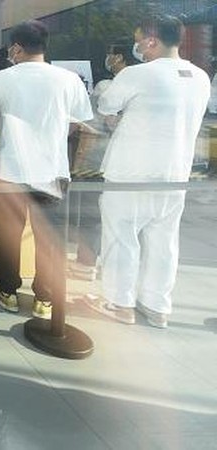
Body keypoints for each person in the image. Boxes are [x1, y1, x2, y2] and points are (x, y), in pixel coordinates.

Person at [86, 15, 211, 328]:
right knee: (164, 241)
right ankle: (156, 306)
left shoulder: (137, 74)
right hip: (175, 174)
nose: (136, 46)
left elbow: (106, 106)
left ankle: (119, 302)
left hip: (131, 172)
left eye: (139, 39)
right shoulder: (200, 76)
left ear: (152, 41)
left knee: (121, 237)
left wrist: (118, 116)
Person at [0, 20, 92, 319]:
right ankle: (45, 298)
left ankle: (7, 292)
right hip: (52, 170)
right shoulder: (68, 80)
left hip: (10, 170)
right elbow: (75, 125)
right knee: (49, 238)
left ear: (16, 47)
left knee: (8, 235)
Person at [68, 42, 138, 281]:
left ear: (118, 57)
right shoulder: (143, 85)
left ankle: (86, 264)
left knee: (91, 212)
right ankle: (110, 266)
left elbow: (95, 119)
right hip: (129, 161)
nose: (107, 57)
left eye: (110, 53)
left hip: (98, 156)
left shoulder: (107, 86)